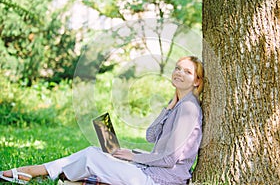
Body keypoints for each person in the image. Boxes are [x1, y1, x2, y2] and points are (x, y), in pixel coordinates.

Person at [0, 56, 204, 185]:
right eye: (177, 68)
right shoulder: (177, 105)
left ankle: (35, 173)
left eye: (187, 71)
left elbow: (168, 160)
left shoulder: (188, 109)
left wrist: (133, 157)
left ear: (196, 81)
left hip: (161, 180)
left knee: (91, 157)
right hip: (151, 172)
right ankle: (43, 173)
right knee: (97, 152)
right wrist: (167, 108)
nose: (179, 72)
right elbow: (151, 136)